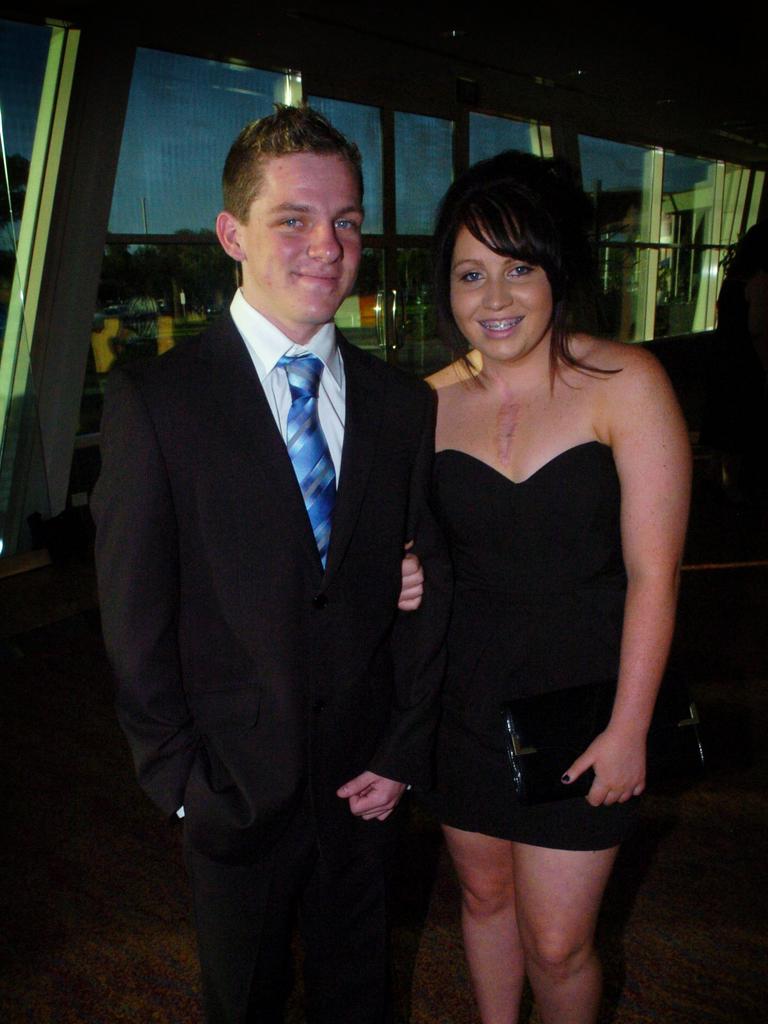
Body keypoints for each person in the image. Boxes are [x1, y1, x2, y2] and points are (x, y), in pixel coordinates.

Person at [92, 105, 450, 1024]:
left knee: (358, 998)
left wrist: (403, 750)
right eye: (293, 218)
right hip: (232, 793)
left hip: (365, 792)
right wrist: (180, 787)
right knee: (242, 1002)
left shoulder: (400, 406)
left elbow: (421, 589)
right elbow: (136, 620)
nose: (325, 245)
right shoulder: (158, 405)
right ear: (231, 234)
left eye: (347, 221)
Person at [424, 151, 691, 1024]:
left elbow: (655, 574)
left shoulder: (628, 384)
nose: (494, 299)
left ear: (556, 272)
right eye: (471, 273)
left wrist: (631, 726)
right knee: (484, 902)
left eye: (517, 269)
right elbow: (414, 555)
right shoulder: (420, 406)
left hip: (585, 708)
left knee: (559, 942)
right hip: (462, 702)